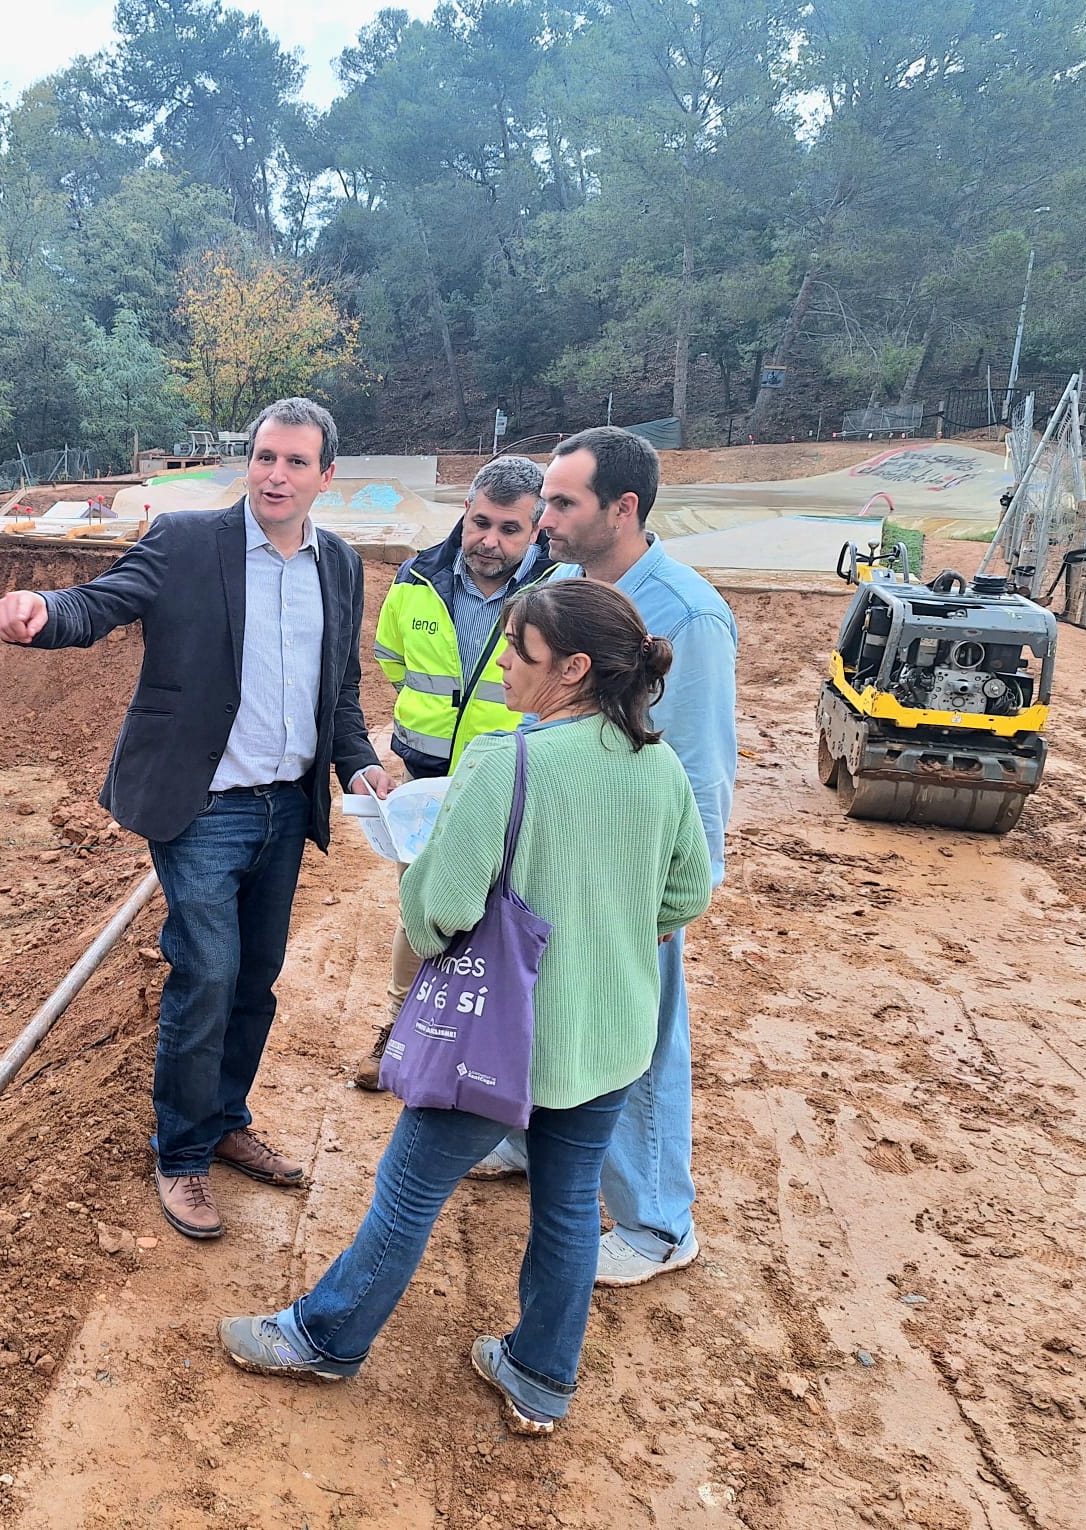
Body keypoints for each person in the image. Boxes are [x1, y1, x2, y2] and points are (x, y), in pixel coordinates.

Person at [217, 579, 712, 1434]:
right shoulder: (659, 766)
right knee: (567, 1205)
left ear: (574, 669)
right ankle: (541, 1378)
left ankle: (324, 1338)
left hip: (501, 1042)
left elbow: (441, 912)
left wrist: (413, 866)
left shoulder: (504, 763)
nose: (506, 669)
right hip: (608, 1038)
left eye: (521, 653)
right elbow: (685, 896)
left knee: (408, 1191)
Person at [0, 397, 392, 1241]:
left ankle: (226, 1122)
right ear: (249, 462)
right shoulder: (185, 542)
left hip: (287, 806)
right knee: (207, 972)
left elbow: (340, 691)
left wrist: (356, 761)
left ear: (326, 477)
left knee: (255, 979)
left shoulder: (341, 566)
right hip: (203, 806)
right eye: (264, 457)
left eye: (294, 462)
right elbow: (100, 603)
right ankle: (181, 1157)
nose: (275, 475)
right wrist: (42, 614)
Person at [469, 425, 737, 1289]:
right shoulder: (564, 587)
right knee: (538, 1004)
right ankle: (523, 1137)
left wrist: (671, 906)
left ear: (622, 510)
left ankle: (658, 1224)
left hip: (629, 876)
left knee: (642, 1040)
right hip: (555, 852)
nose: (541, 516)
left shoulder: (686, 617)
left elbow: (698, 772)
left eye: (561, 502)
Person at [355, 456, 556, 1090]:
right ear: (464, 514)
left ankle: (495, 1050)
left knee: (506, 913)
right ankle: (401, 1029)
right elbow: (391, 659)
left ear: (536, 529)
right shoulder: (417, 577)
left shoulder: (554, 592)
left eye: (509, 529)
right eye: (480, 523)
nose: (489, 541)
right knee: (423, 905)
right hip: (425, 772)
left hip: (517, 776)